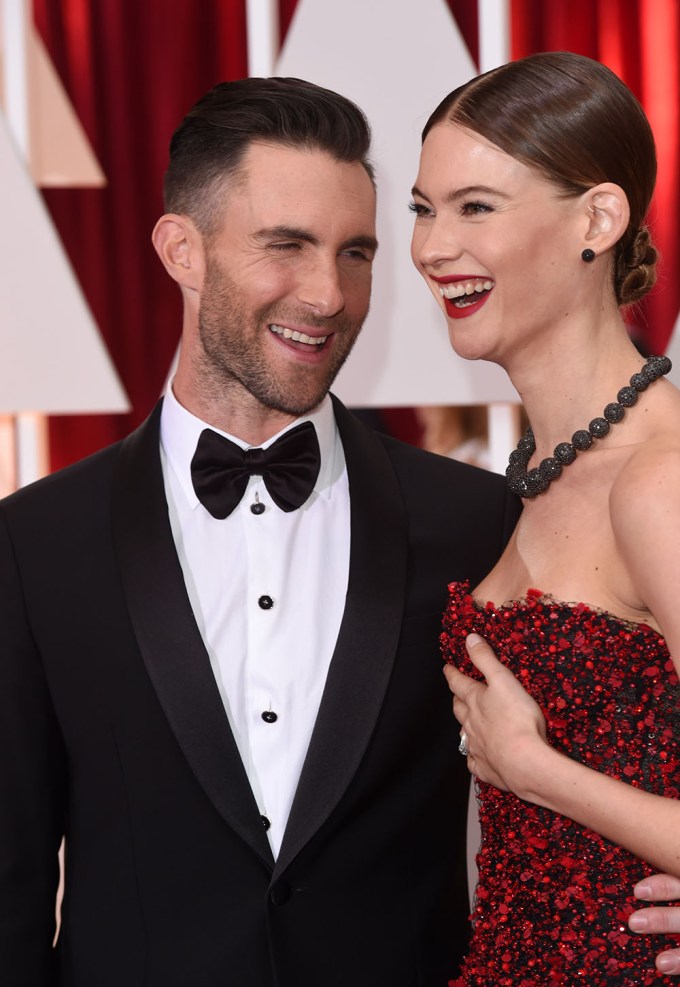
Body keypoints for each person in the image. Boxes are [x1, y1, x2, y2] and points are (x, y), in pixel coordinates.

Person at [0, 78, 519, 986]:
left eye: (356, 252)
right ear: (180, 249)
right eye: (286, 245)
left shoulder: (477, 522)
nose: (328, 294)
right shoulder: (33, 543)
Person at [410, 51, 680, 985]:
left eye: (475, 207)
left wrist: (536, 767)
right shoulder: (526, 478)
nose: (432, 247)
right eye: (422, 207)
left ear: (598, 220)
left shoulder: (658, 483)